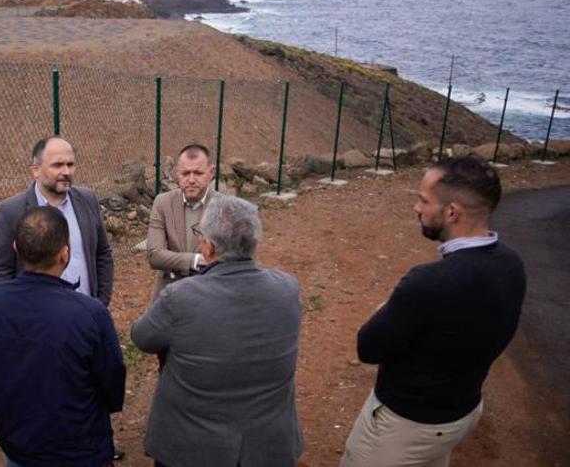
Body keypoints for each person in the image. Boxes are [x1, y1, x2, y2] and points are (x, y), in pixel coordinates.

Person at [340, 156, 527, 467]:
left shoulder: (429, 283)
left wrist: (389, 306)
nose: (416, 208)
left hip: (405, 425)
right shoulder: (511, 263)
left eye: (423, 200)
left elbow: (368, 346)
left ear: (452, 212)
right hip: (461, 411)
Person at [132, 195, 304, 467]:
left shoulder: (180, 297)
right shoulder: (287, 289)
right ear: (253, 243)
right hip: (268, 448)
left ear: (208, 247)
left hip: (192, 450)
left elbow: (141, 337)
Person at [0, 206, 126, 467]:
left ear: (15, 249)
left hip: (18, 441)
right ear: (64, 254)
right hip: (79, 448)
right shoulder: (90, 313)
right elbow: (112, 382)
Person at [0, 137, 114, 306]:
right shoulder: (12, 211)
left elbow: (103, 253)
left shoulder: (87, 200)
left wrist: (100, 302)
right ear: (36, 170)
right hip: (36, 321)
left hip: (85, 314)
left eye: (70, 164)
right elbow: (1, 272)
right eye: (57, 165)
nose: (66, 172)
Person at [147, 143, 223, 296]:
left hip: (210, 295)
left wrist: (173, 260)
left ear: (211, 172)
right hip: (169, 296)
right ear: (177, 173)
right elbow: (154, 255)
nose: (191, 180)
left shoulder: (224, 207)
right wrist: (197, 260)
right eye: (185, 173)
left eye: (198, 173)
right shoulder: (163, 203)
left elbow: (227, 258)